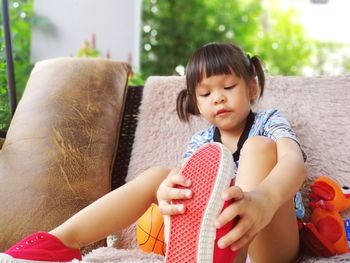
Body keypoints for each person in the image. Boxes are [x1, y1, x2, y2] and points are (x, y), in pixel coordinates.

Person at [0, 42, 307, 263]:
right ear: (196, 102)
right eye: (206, 93)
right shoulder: (202, 143)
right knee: (162, 177)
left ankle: (228, 257)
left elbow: (294, 163)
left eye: (229, 86)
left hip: (269, 242)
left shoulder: (268, 121)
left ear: (251, 89)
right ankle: (56, 243)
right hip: (211, 243)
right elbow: (190, 198)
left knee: (258, 148)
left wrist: (264, 200)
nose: (218, 99)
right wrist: (166, 195)